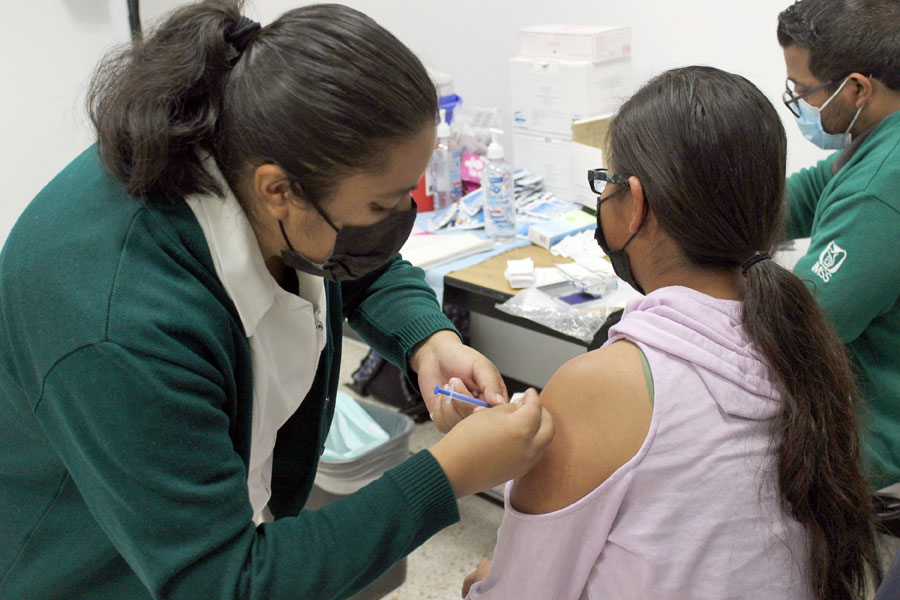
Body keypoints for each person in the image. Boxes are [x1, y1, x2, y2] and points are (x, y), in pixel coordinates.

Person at [0, 2, 554, 598]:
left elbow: (350, 259)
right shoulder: (123, 326)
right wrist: (448, 475)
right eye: (381, 205)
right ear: (277, 190)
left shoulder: (253, 159)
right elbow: (224, 583)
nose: (397, 223)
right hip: (85, 569)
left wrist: (428, 339)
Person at [462, 67, 882, 600]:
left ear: (634, 204)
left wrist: (482, 583)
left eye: (606, 183)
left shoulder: (605, 386)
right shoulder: (805, 348)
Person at [777, 0, 900, 490]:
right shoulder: (880, 136)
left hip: (879, 458)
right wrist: (723, 215)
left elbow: (806, 322)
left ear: (856, 89)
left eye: (805, 91)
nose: (798, 102)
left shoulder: (880, 189)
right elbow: (814, 189)